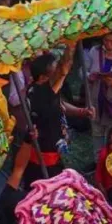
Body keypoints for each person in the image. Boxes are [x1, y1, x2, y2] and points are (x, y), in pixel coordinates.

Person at [24, 45, 94, 187]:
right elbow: (65, 67)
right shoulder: (40, 93)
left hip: (53, 155)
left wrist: (81, 111)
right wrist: (72, 41)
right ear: (43, 77)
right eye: (54, 71)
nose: (59, 72)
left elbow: (59, 105)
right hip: (44, 162)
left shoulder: (42, 89)